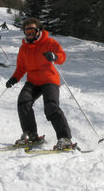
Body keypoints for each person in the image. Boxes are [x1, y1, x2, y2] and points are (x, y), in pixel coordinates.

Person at [5, 18, 74, 150]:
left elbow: (62, 56)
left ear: (38, 31)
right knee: (23, 101)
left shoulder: (49, 42)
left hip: (49, 79)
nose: (29, 34)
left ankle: (65, 138)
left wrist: (54, 56)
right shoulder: (24, 48)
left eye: (32, 30)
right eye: (27, 31)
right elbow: (21, 68)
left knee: (50, 106)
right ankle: (31, 135)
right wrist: (14, 79)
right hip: (33, 81)